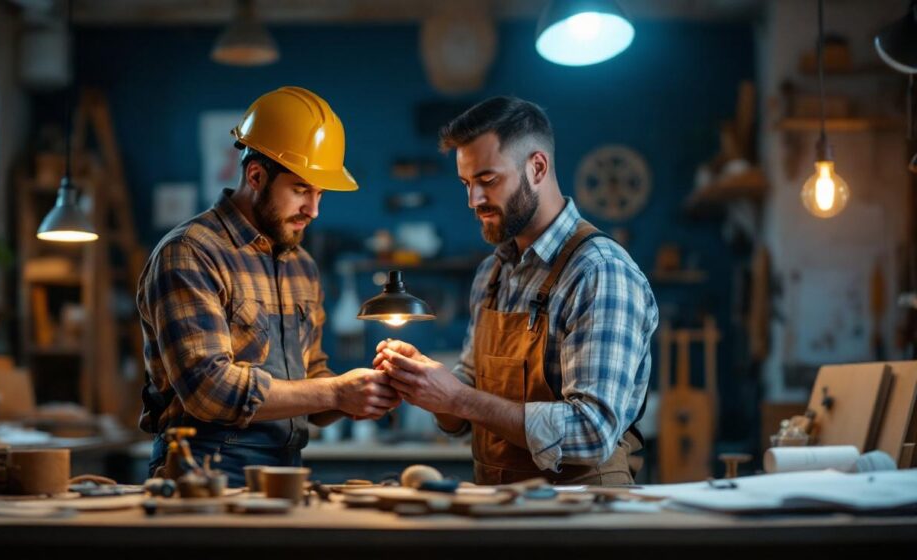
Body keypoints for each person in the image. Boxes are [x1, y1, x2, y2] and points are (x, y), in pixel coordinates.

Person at [376, 96, 658, 485]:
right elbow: (464, 416)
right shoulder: (492, 273)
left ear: (537, 167)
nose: (473, 201)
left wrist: (458, 397)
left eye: (488, 180)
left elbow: (592, 433)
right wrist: (425, 382)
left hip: (585, 514)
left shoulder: (599, 271)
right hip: (500, 509)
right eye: (466, 183)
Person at [138, 87, 399, 486]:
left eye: (320, 193)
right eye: (301, 190)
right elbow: (208, 389)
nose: (313, 210)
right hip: (203, 467)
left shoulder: (301, 265)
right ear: (256, 176)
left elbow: (313, 381)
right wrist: (334, 392)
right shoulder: (190, 253)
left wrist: (362, 394)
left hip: (285, 467)